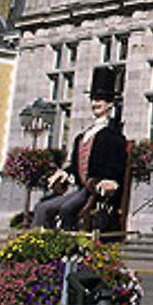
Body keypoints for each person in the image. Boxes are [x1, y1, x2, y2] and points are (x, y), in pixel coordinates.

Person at [31, 66, 127, 230]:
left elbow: (117, 165)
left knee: (67, 209)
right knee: (43, 208)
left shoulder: (113, 136)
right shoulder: (83, 136)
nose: (95, 103)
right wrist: (64, 173)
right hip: (82, 190)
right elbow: (76, 167)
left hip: (97, 192)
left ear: (110, 104)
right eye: (94, 99)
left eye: (101, 99)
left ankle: (69, 246)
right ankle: (38, 244)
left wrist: (112, 181)